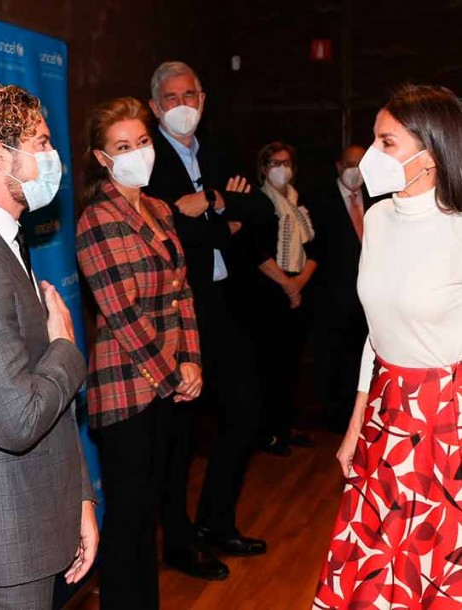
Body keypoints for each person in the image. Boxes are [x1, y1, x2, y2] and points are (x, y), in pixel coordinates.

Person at [313, 83, 462, 608]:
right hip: (386, 412)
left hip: (448, 421)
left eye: (387, 143)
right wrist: (356, 425)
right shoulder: (376, 218)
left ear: (432, 152)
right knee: (378, 571)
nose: (372, 156)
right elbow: (375, 334)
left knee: (437, 568)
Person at [0, 79, 98, 609]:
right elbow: (16, 418)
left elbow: (39, 391)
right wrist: (66, 346)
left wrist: (79, 499)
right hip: (0, 546)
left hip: (34, 520)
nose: (53, 156)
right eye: (40, 143)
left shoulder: (1, 238)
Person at [76, 96, 202, 610]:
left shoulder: (160, 209)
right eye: (123, 146)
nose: (137, 153)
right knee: (128, 517)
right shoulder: (95, 220)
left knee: (150, 507)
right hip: (126, 387)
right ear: (103, 159)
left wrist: (192, 358)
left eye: (143, 142)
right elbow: (122, 315)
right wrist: (173, 374)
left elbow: (182, 291)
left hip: (168, 380)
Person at [145, 60, 267, 581]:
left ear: (204, 97)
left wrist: (213, 200)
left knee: (245, 413)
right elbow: (165, 229)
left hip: (224, 305)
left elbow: (261, 209)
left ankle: (216, 521)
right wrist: (225, 220)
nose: (182, 106)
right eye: (171, 98)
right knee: (179, 433)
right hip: (176, 312)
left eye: (189, 94)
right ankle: (177, 540)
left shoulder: (218, 153)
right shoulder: (146, 161)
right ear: (155, 107)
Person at [226, 141, 318, 457]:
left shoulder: (298, 202)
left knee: (291, 366)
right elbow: (254, 251)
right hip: (266, 294)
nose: (283, 169)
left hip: (296, 290)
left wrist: (299, 283)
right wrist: (286, 284)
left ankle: (285, 426)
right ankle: (267, 432)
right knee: (269, 366)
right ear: (264, 168)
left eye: (287, 162)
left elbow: (316, 248)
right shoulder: (258, 202)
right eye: (276, 163)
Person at [309, 145, 371, 434]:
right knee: (332, 358)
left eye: (360, 164)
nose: (355, 170)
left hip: (366, 298)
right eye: (349, 164)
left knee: (360, 358)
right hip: (331, 296)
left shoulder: (375, 198)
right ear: (338, 166)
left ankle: (357, 414)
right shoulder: (318, 201)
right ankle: (335, 417)